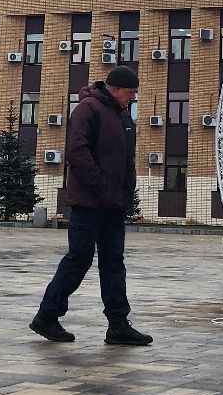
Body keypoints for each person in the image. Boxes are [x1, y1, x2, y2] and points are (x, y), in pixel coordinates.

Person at [31, 65, 153, 345]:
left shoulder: (122, 116)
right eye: (131, 92)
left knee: (113, 263)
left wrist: (126, 188)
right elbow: (77, 151)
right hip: (89, 202)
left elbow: (126, 160)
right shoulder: (88, 108)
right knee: (79, 259)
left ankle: (118, 324)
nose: (133, 98)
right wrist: (99, 185)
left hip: (114, 204)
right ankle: (46, 316)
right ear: (117, 89)